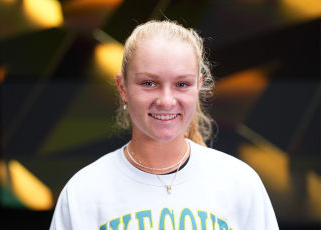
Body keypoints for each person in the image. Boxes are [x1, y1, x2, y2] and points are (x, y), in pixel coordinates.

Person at [50, 20, 279, 230]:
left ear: (198, 86)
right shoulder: (83, 192)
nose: (166, 101)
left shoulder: (239, 183)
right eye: (149, 83)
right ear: (122, 88)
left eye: (181, 84)